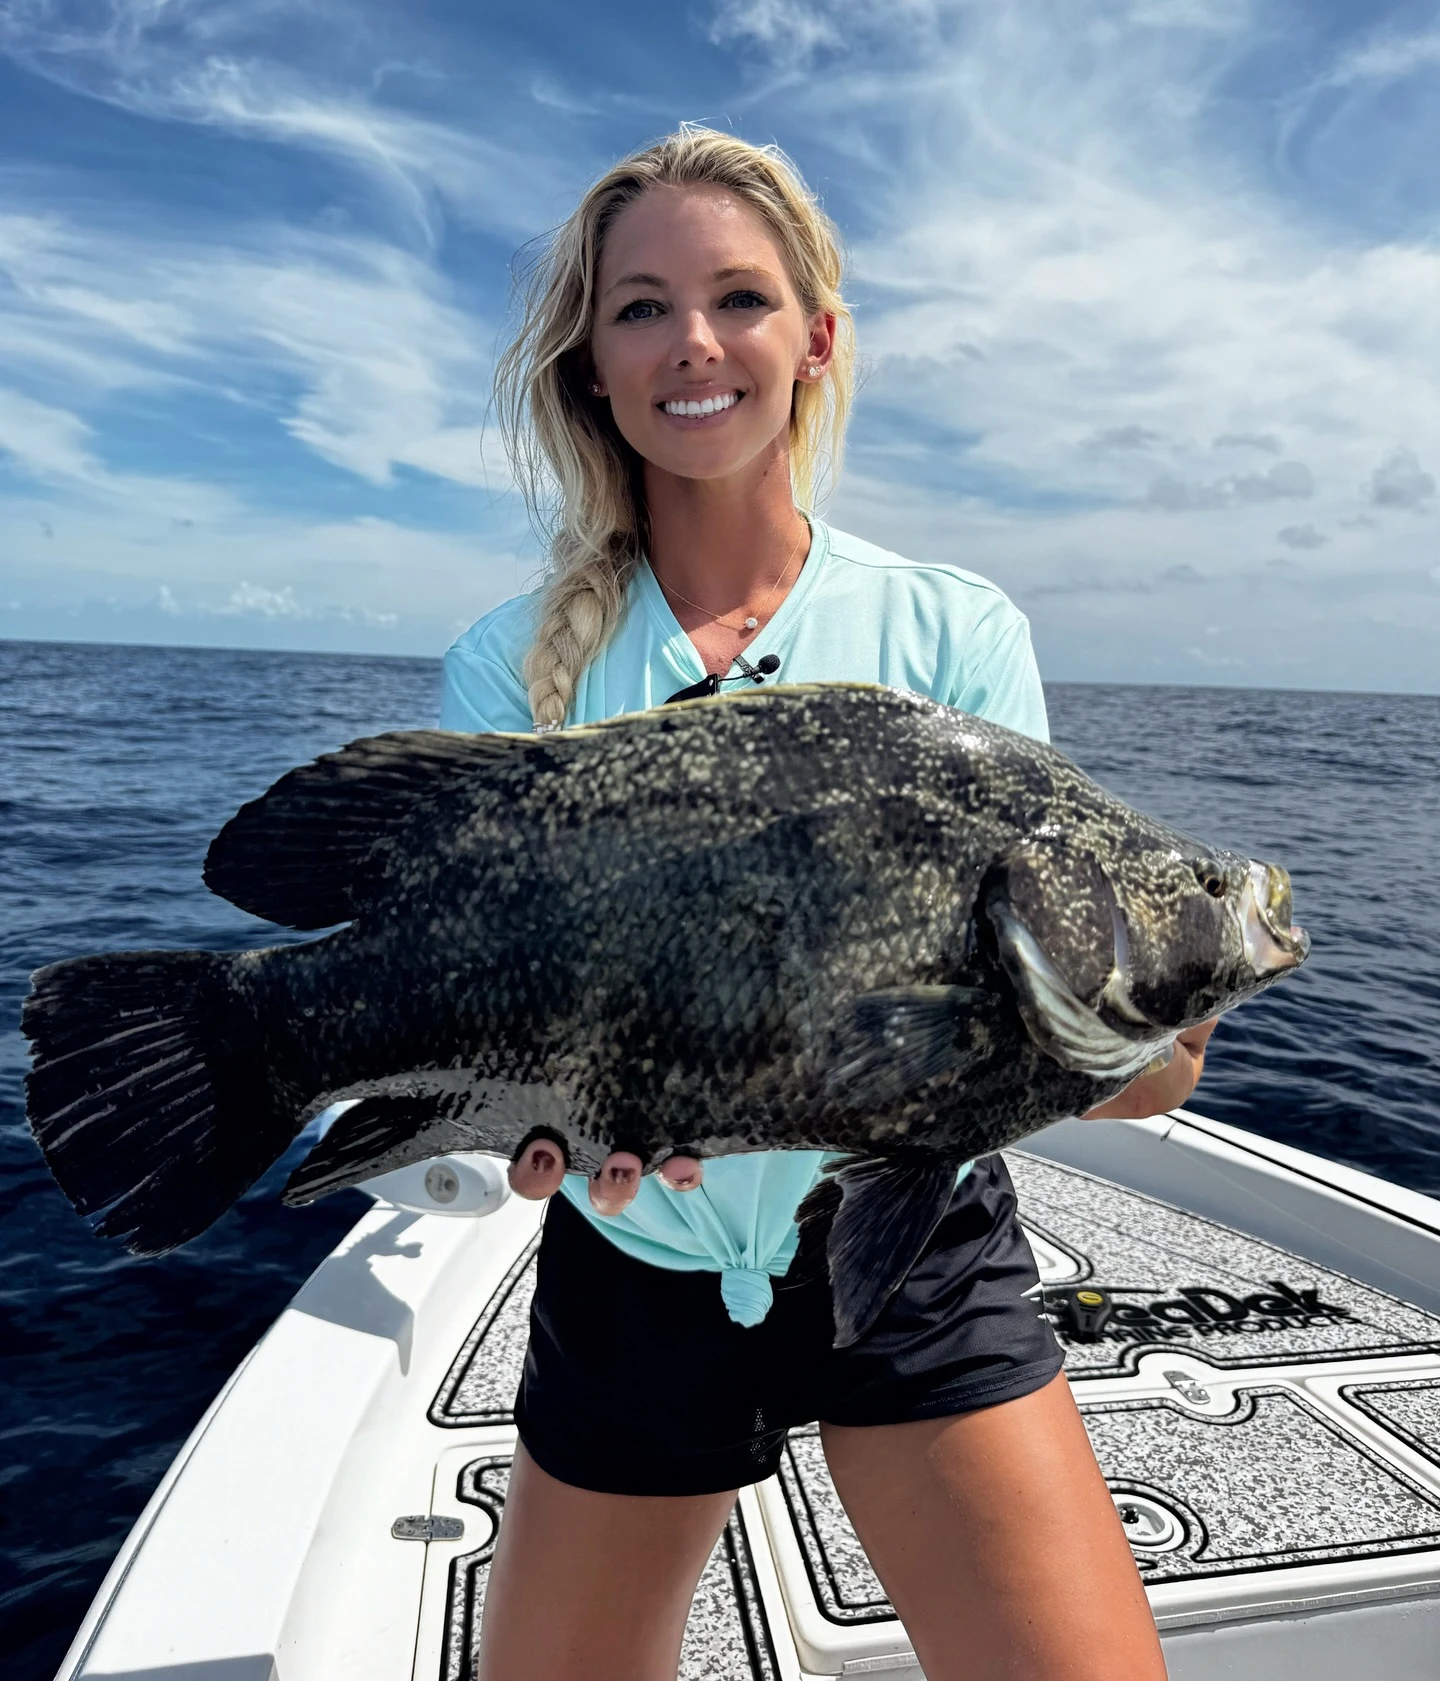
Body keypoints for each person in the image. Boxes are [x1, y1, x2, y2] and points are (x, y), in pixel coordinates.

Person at [440, 125, 1209, 1681]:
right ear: (590, 358)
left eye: (739, 296)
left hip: (916, 1258)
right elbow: (489, 1008)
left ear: (816, 338)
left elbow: (1123, 1059)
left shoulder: (954, 633)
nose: (694, 343)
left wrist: (1138, 1024)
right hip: (634, 1262)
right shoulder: (509, 667)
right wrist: (502, 1114)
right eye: (640, 305)